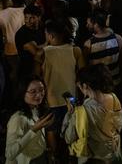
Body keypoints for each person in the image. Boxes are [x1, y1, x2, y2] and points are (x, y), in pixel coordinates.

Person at [41, 19, 85, 162]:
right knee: (72, 125)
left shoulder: (44, 53)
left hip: (51, 98)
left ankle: (54, 156)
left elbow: (38, 76)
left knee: (52, 128)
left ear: (50, 36)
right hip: (71, 97)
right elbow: (82, 74)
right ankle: (71, 152)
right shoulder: (75, 50)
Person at [62, 64, 122, 163]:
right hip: (114, 150)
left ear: (85, 86)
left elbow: (68, 138)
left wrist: (70, 113)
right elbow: (117, 126)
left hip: (96, 157)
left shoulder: (83, 110)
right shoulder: (113, 98)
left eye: (80, 87)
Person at [5, 76, 52, 164]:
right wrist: (33, 130)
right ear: (22, 93)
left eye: (41, 90)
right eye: (33, 92)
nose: (39, 95)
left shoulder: (36, 109)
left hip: (41, 157)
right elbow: (10, 153)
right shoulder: (17, 118)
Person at [84, 10, 122, 87]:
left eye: (88, 23)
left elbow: (86, 66)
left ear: (96, 24)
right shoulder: (118, 39)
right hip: (115, 82)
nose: (86, 25)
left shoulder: (88, 44)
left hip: (98, 86)